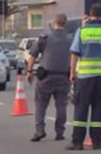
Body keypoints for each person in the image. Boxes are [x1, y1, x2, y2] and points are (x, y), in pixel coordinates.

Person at [67, 4, 101, 150]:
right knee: (98, 109)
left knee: (81, 109)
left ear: (90, 15)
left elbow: (74, 54)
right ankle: (97, 142)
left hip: (84, 78)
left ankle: (77, 142)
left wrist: (72, 73)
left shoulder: (82, 31)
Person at [26, 13, 72, 142]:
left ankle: (40, 130)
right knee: (61, 105)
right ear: (65, 24)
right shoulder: (71, 39)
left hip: (46, 77)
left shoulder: (44, 38)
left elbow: (32, 56)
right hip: (64, 76)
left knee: (41, 104)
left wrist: (29, 71)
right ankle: (60, 132)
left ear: (53, 23)